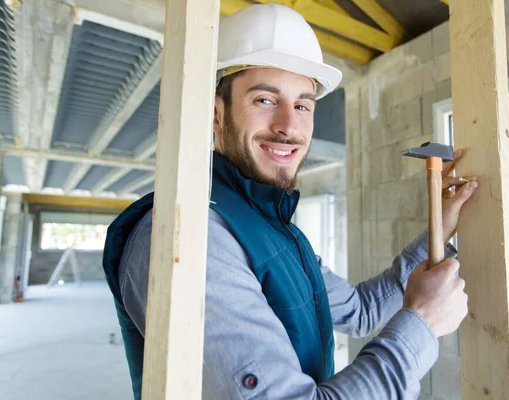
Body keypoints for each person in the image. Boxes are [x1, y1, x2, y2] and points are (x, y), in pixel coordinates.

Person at [102, 4, 479, 399]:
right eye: (265, 100)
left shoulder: (273, 230)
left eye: (302, 105)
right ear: (216, 115)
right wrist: (421, 324)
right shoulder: (192, 237)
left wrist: (442, 223)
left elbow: (361, 309)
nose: (288, 126)